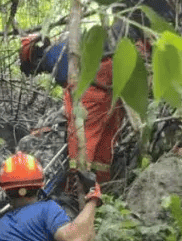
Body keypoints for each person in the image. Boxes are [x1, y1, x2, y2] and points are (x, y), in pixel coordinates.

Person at [19, 34, 123, 184]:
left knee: (81, 138)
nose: (41, 72)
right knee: (105, 140)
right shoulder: (69, 42)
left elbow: (68, 83)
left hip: (93, 86)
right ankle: (102, 185)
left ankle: (79, 187)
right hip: (112, 79)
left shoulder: (56, 56)